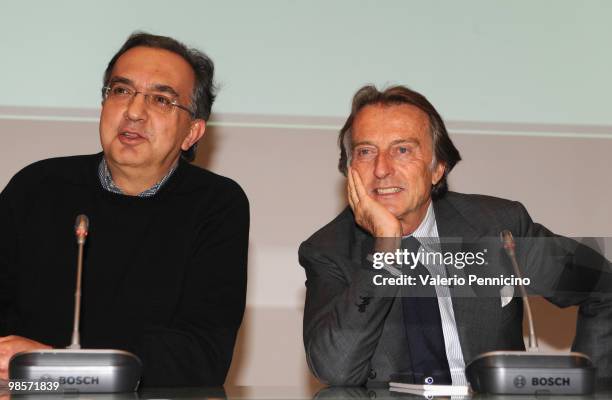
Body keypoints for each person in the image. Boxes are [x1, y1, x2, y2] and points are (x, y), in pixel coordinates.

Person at [299, 85, 612, 387]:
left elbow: (602, 286)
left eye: (403, 149)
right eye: (366, 152)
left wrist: (592, 389)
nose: (382, 169)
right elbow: (336, 368)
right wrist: (387, 249)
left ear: (437, 169)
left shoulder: (497, 227)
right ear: (349, 170)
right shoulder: (328, 250)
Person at [0, 32, 249, 387]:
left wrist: (53, 367)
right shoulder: (36, 187)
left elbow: (201, 356)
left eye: (161, 99)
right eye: (121, 91)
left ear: (192, 132)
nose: (134, 112)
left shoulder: (216, 206)